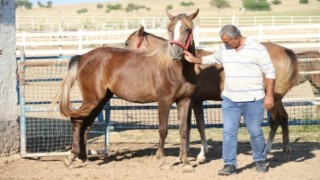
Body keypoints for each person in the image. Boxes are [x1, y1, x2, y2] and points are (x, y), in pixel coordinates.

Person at [184, 24, 275, 175]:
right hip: (230, 100)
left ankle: (260, 160)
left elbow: (270, 71)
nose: (224, 44)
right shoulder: (225, 49)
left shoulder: (257, 48)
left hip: (253, 99)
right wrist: (195, 60)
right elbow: (212, 58)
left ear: (237, 38)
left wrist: (269, 95)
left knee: (255, 132)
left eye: (226, 41)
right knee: (228, 133)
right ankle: (229, 164)